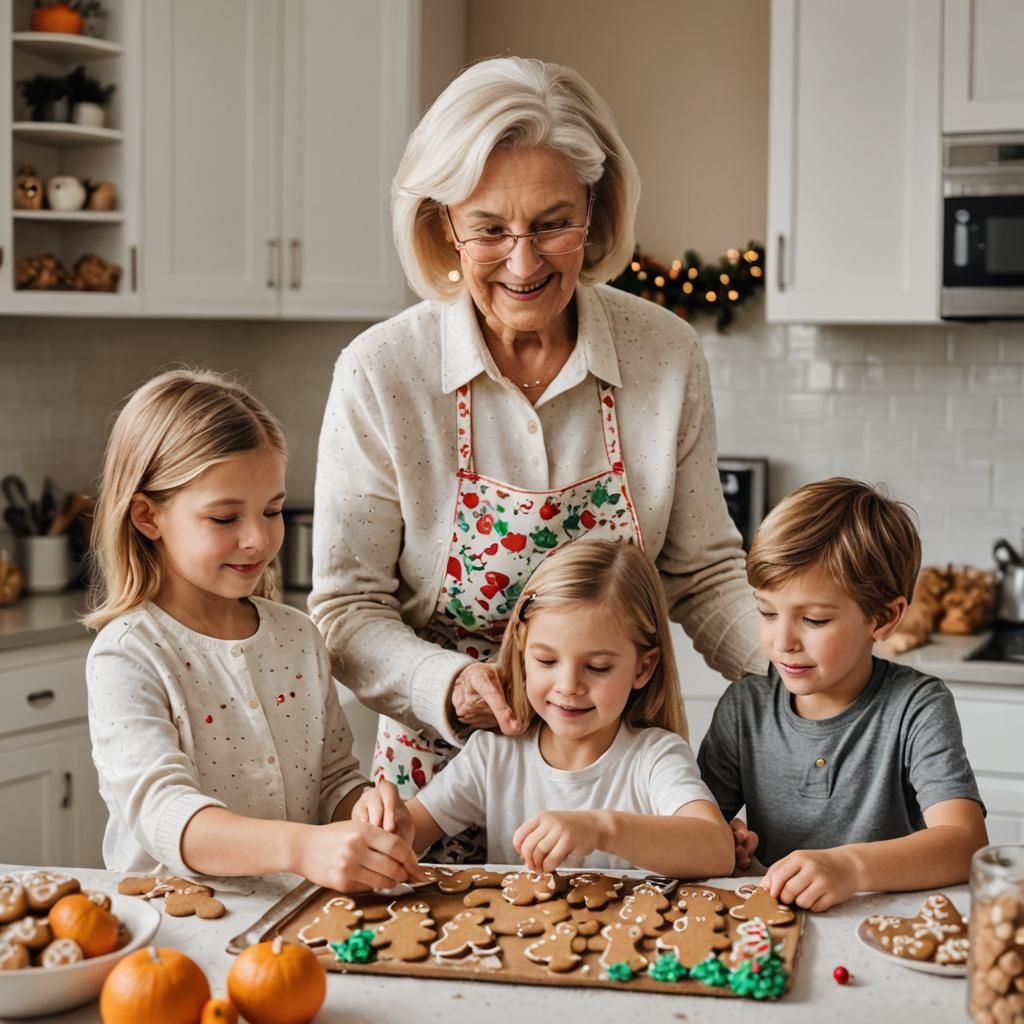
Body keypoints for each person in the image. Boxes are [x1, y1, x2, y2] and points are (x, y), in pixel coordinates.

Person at [311, 56, 763, 859]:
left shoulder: (662, 353)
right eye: (489, 228)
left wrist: (804, 669)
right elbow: (346, 611)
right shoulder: (383, 373)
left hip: (612, 782)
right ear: (443, 225)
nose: (524, 264)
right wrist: (449, 685)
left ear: (596, 210)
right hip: (436, 777)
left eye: (554, 222)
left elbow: (704, 573)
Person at [84, 369, 419, 892]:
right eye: (224, 518)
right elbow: (167, 814)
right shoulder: (128, 656)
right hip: (173, 929)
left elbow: (332, 781)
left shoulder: (299, 639)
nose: (258, 539)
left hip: (296, 919)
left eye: (273, 510)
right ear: (149, 517)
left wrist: (366, 811)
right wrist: (303, 847)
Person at [355, 539, 734, 876]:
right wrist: (386, 818)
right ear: (522, 650)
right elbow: (411, 832)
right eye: (547, 662)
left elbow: (716, 851)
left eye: (597, 667)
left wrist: (599, 828)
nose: (568, 686)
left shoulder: (655, 756)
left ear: (643, 667)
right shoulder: (494, 754)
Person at [697, 477, 988, 910]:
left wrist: (847, 868)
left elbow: (965, 844)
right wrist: (726, 844)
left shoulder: (916, 706)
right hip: (772, 934)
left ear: (884, 618)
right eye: (767, 611)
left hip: (882, 933)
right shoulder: (744, 709)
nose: (783, 641)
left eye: (814, 620)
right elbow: (694, 831)